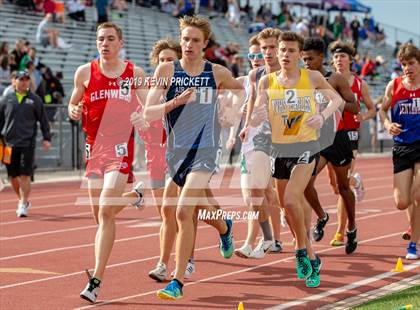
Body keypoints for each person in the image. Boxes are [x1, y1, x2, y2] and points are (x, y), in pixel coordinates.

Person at [142, 15, 243, 300]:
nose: (188, 44)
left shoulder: (217, 72)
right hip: (177, 153)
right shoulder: (166, 70)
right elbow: (149, 112)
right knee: (186, 209)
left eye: (195, 40)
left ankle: (177, 281)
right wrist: (175, 102)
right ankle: (224, 226)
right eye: (185, 39)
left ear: (205, 44)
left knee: (183, 211)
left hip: (206, 150)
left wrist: (231, 111)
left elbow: (240, 90)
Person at [250, 31, 343, 287]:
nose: (285, 55)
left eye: (291, 51)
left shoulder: (311, 77)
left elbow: (336, 99)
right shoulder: (267, 82)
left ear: (299, 55)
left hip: (307, 146)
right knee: (287, 208)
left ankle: (300, 252)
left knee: (292, 198)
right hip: (280, 150)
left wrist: (322, 115)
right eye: (282, 50)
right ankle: (312, 256)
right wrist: (254, 118)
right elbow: (259, 108)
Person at [67, 22, 148, 303]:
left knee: (104, 211)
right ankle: (134, 196)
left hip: (119, 147)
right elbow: (72, 103)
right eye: (101, 39)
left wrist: (143, 116)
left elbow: (148, 106)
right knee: (101, 215)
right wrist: (74, 110)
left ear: (121, 43)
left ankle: (96, 280)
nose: (105, 43)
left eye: (111, 39)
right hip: (93, 149)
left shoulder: (133, 73)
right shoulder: (84, 72)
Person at [301, 37, 359, 254]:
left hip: (337, 138)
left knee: (343, 188)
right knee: (305, 183)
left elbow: (354, 107)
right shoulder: (301, 79)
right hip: (315, 140)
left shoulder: (334, 79)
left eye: (310, 58)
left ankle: (352, 228)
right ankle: (322, 216)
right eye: (303, 58)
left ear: (321, 57)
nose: (306, 62)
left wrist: (335, 100)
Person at [234, 30, 283, 259]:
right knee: (251, 194)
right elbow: (252, 99)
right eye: (264, 48)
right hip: (257, 137)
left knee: (288, 199)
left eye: (272, 47)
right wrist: (246, 125)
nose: (268, 52)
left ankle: (302, 246)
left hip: (284, 139)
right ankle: (268, 238)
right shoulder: (255, 75)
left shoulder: (291, 75)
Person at [328, 40, 376, 246]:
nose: (339, 60)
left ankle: (340, 231)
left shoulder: (360, 84)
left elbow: (372, 108)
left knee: (342, 183)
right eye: (336, 57)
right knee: (336, 186)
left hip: (350, 135)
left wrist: (362, 118)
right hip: (330, 134)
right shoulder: (327, 81)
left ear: (350, 60)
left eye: (343, 57)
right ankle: (356, 182)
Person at [379, 43, 420, 260]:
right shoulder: (394, 86)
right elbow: (382, 111)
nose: (407, 68)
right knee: (402, 201)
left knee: (418, 195)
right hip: (402, 146)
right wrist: (387, 125)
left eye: (411, 63)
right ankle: (415, 224)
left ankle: (413, 244)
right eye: (404, 64)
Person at [0, 70, 51, 217]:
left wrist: (46, 138)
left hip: (27, 143)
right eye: (21, 79)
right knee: (12, 176)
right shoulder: (6, 99)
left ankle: (23, 203)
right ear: (13, 81)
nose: (24, 81)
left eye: (26, 79)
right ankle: (22, 199)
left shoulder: (35, 100)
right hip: (9, 144)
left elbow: (43, 120)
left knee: (25, 175)